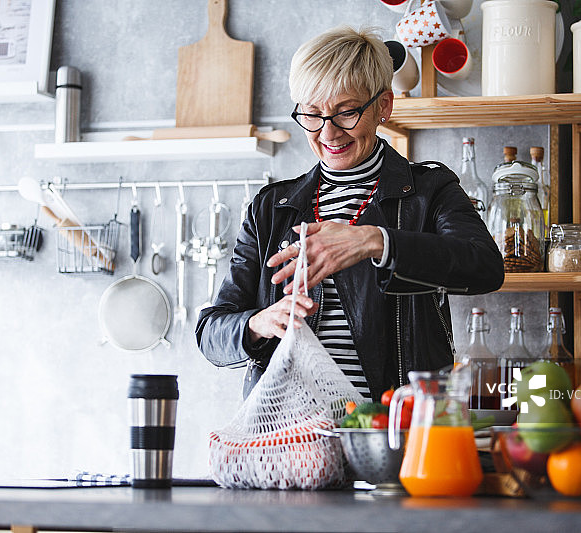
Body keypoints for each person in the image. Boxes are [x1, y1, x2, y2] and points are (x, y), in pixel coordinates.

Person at [196, 26, 503, 400]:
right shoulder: (270, 208)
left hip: (393, 432)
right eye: (311, 114)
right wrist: (259, 322)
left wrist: (375, 241)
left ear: (383, 107)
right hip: (289, 436)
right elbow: (212, 333)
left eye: (346, 112)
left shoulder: (429, 190)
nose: (328, 133)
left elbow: (485, 266)